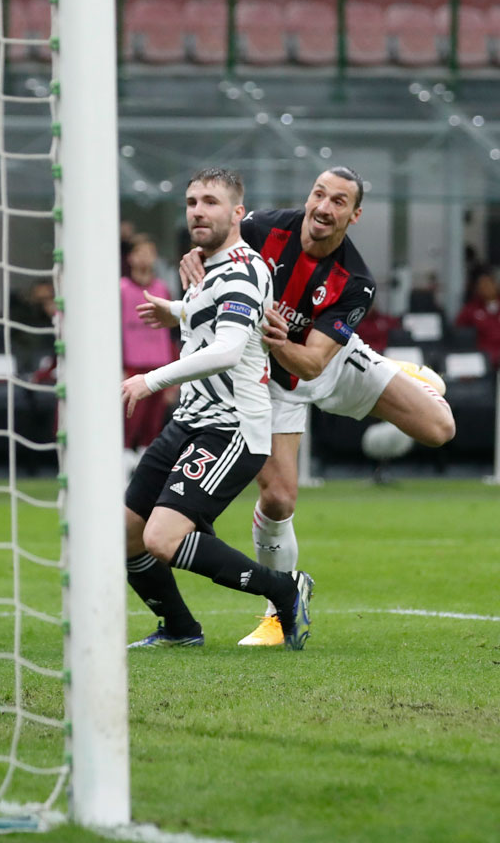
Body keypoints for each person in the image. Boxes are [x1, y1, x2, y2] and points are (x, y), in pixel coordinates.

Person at [157, 167, 454, 647]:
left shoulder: (355, 280)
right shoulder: (263, 228)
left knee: (441, 428)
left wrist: (277, 339)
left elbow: (314, 363)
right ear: (308, 196)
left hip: (324, 361)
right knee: (278, 499)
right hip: (271, 386)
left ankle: (402, 376)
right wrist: (195, 256)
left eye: (339, 201)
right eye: (319, 194)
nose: (323, 206)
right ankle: (278, 614)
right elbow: (214, 240)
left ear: (353, 216)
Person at [122, 167, 313, 651]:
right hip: (188, 421)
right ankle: (181, 630)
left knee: (161, 540)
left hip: (231, 429)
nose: (198, 211)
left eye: (210, 201)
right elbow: (217, 312)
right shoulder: (212, 269)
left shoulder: (245, 269)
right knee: (125, 533)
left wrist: (150, 379)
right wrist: (177, 310)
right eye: (191, 202)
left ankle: (284, 590)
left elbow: (229, 348)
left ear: (237, 213)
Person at [120, 234, 175, 452]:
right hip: (132, 364)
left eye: (149, 254)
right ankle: (122, 462)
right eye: (140, 253)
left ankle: (144, 462)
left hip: (159, 364)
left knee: (153, 423)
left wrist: (173, 374)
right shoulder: (121, 289)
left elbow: (171, 333)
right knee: (130, 420)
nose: (145, 258)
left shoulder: (162, 289)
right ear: (131, 258)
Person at [455, 268, 500, 367]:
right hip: (485, 356)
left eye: (488, 284)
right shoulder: (472, 308)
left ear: (495, 285)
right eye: (482, 285)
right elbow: (457, 328)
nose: (486, 288)